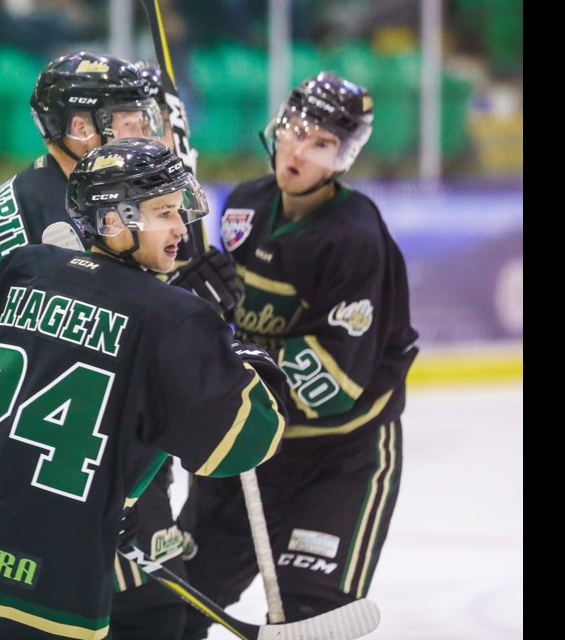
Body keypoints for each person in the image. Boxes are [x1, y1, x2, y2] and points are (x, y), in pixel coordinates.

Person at [0, 50, 242, 639]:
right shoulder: (39, 215)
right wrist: (187, 303)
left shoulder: (97, 192)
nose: (148, 130)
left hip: (61, 447)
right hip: (43, 462)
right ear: (82, 128)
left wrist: (184, 282)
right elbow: (94, 340)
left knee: (150, 616)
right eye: (131, 117)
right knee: (137, 618)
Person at [0, 136, 288, 639]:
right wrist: (249, 360)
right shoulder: (172, 318)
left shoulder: (23, 268)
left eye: (179, 210)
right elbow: (245, 442)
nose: (182, 227)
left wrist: (100, 498)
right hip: (57, 564)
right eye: (164, 212)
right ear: (113, 221)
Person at [177, 71, 420, 638]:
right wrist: (194, 305)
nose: (297, 150)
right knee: (173, 606)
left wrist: (226, 356)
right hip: (248, 448)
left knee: (309, 618)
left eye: (321, 143)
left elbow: (330, 383)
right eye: (295, 130)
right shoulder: (242, 206)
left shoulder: (355, 238)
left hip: (338, 459)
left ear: (344, 156)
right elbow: (220, 321)